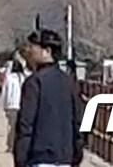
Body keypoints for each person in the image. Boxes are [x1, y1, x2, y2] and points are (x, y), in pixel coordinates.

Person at [13, 29, 84, 167]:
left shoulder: (34, 82)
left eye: (33, 47)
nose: (29, 51)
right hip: (65, 157)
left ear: (47, 51)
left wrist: (20, 158)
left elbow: (26, 124)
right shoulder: (69, 82)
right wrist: (77, 151)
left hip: (39, 157)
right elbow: (79, 121)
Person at [3, 55, 27, 152]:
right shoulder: (24, 78)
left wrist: (4, 105)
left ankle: (10, 145)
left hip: (12, 104)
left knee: (11, 126)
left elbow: (6, 92)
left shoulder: (9, 79)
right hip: (22, 104)